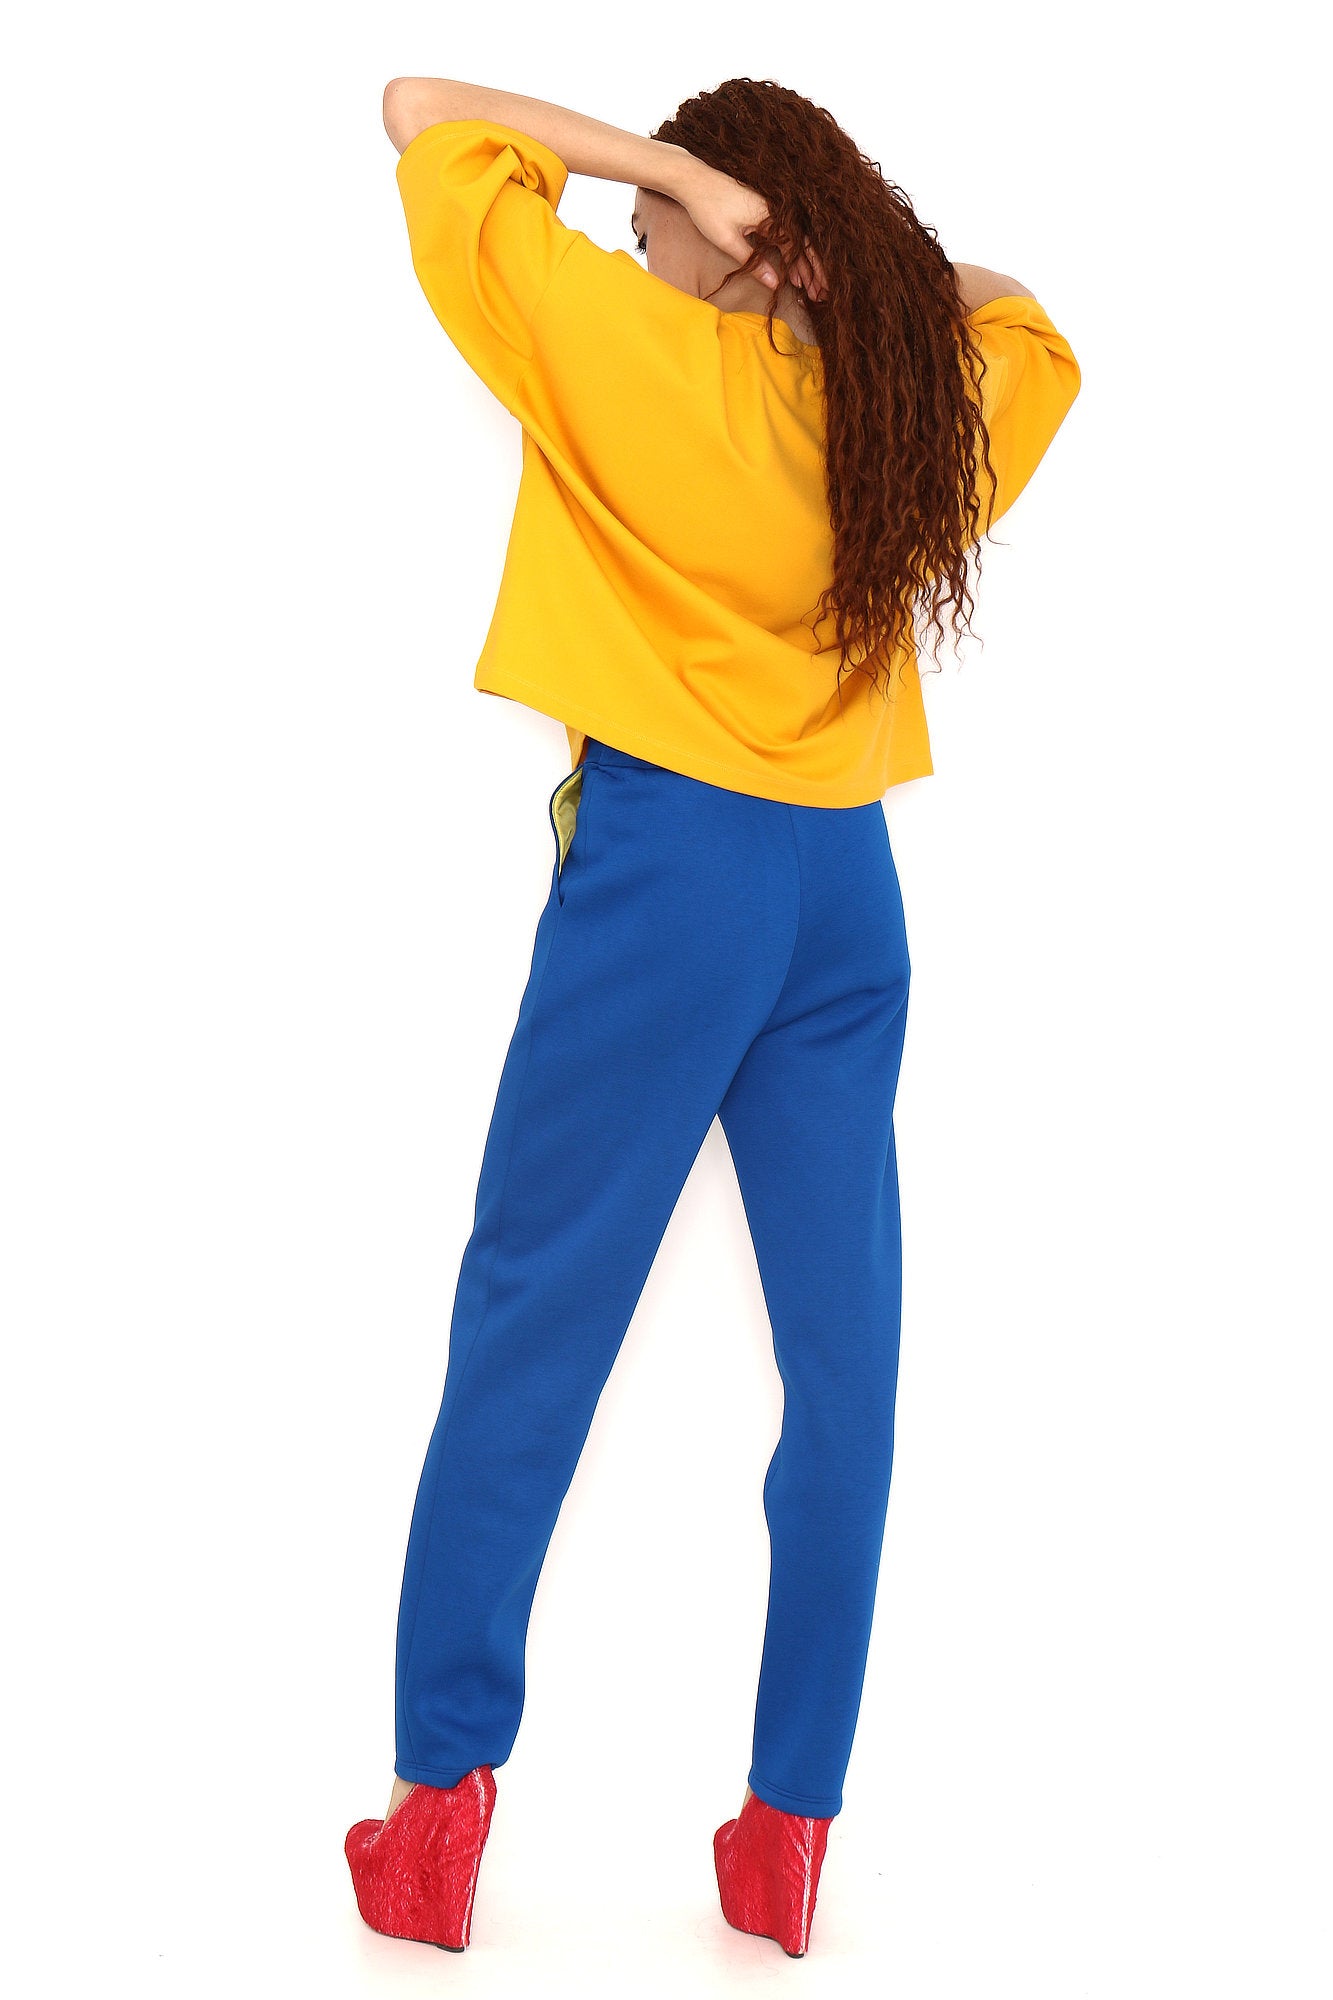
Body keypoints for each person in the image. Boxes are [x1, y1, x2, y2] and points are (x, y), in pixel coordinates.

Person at [344, 73, 1081, 1957]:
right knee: (845, 1371)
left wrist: (666, 164)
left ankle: (437, 1810)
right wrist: (858, 279)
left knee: (531, 1321)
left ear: (730, 229)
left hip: (669, 881)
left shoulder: (626, 352)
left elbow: (425, 116)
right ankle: (789, 1827)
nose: (633, 241)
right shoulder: (905, 417)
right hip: (846, 897)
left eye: (656, 221)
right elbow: (1029, 325)